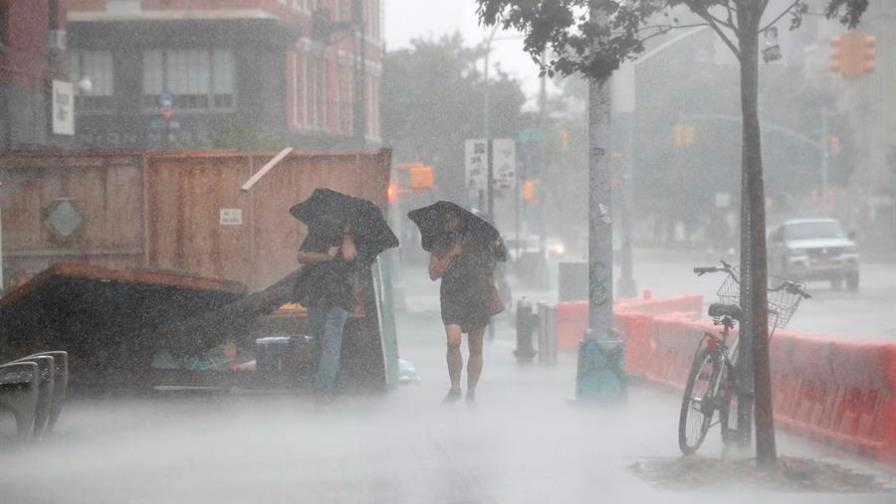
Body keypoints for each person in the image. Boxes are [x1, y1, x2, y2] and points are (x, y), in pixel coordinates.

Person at [429, 211, 497, 403]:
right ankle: (455, 386)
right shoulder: (442, 242)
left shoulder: (482, 242)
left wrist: (492, 291)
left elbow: (491, 270)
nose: (449, 223)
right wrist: (451, 254)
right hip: (452, 297)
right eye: (447, 220)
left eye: (452, 219)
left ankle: (471, 391)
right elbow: (433, 273)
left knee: (476, 347)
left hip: (478, 297)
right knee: (453, 341)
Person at [295, 218, 359, 401]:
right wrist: (326, 256)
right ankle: (331, 382)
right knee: (321, 341)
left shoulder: (352, 239)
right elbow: (301, 256)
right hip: (318, 295)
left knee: (330, 341)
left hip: (338, 297)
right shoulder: (317, 234)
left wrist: (348, 242)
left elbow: (355, 264)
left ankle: (324, 389)